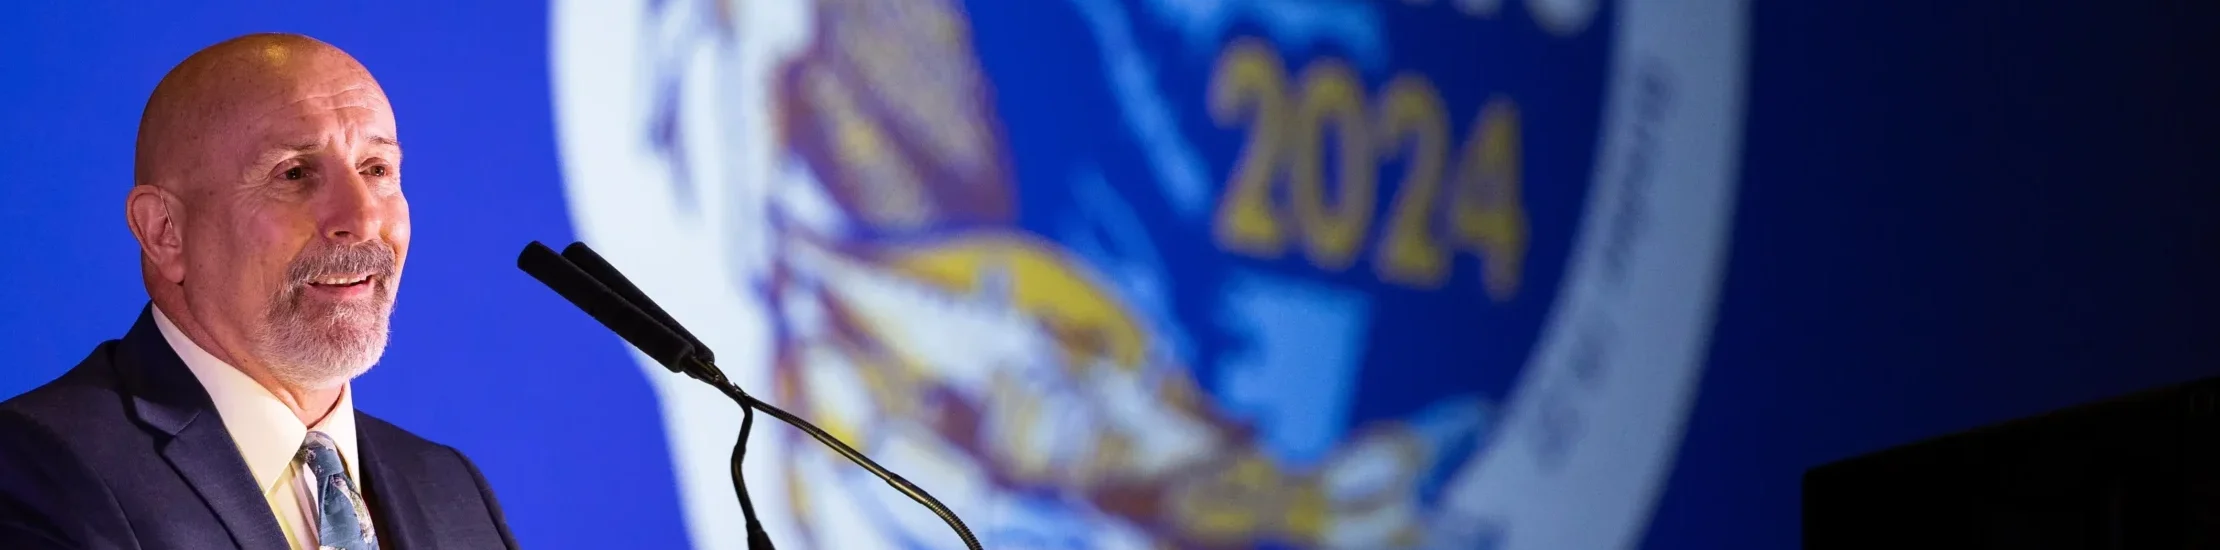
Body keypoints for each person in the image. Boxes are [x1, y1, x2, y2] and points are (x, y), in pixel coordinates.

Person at [0, 33, 516, 549]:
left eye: (376, 170)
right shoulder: (34, 470)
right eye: (293, 174)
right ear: (164, 231)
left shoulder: (451, 490)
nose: (361, 219)